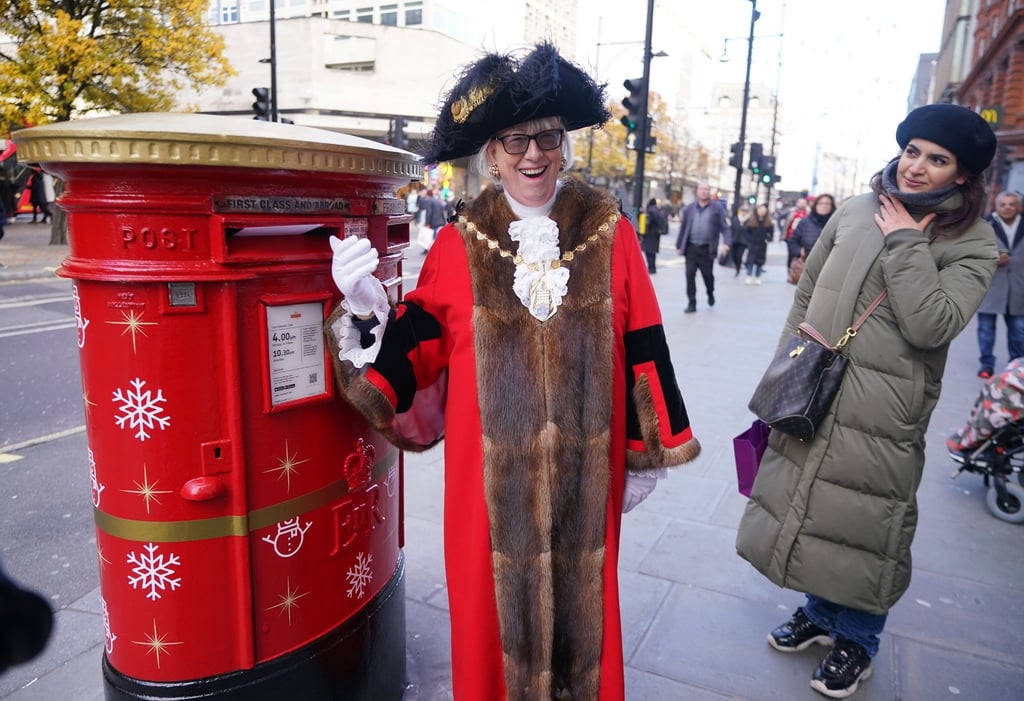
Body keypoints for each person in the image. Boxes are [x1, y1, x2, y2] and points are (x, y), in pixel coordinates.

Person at [325, 42, 700, 701]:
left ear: (564, 146)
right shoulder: (457, 244)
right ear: (492, 155)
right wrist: (364, 310)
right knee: (488, 636)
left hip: (586, 488)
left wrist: (647, 452)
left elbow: (644, 341)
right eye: (515, 140)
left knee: (585, 638)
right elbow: (418, 349)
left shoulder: (611, 233)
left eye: (547, 137)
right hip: (487, 497)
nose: (533, 154)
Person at [736, 103, 998, 699]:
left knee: (867, 525)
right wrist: (785, 367)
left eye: (937, 160)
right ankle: (819, 613)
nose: (916, 167)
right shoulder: (856, 209)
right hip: (814, 387)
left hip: (884, 409)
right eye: (912, 151)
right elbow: (807, 296)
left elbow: (934, 325)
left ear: (962, 174)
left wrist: (906, 240)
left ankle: (858, 639)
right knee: (814, 505)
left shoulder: (973, 241)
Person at [974, 191, 1024, 378]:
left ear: (1020, 207)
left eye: (1012, 204)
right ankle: (986, 365)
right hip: (991, 287)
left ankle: (1016, 367)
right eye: (1003, 204)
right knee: (986, 329)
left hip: (1019, 287)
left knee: (1019, 330)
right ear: (996, 207)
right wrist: (992, 258)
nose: (1007, 207)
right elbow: (973, 252)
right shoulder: (985, 226)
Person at [675, 181, 731, 313]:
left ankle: (710, 292)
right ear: (697, 191)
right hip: (691, 248)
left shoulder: (717, 208)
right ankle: (692, 303)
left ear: (709, 192)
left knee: (708, 276)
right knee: (690, 275)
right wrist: (679, 245)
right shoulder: (689, 208)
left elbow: (725, 227)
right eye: (701, 189)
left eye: (706, 189)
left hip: (707, 249)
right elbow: (683, 228)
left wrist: (727, 243)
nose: (704, 191)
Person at [742, 202, 773, 285]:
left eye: (763, 210)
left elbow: (771, 233)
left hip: (762, 244)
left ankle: (758, 276)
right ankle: (749, 275)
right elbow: (746, 231)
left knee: (760, 261)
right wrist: (749, 240)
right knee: (750, 260)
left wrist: (768, 239)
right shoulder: (751, 221)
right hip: (753, 243)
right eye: (760, 210)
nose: (761, 212)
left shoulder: (768, 222)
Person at [643, 196, 668, 273]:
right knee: (653, 253)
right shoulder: (657, 210)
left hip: (650, 234)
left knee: (648, 252)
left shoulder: (650, 211)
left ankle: (651, 268)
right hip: (656, 234)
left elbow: (649, 223)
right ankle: (653, 268)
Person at [784, 196, 809, 269]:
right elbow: (785, 222)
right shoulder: (792, 212)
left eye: (803, 202)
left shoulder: (808, 213)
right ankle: (790, 269)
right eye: (800, 202)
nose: (801, 204)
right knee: (791, 255)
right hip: (790, 236)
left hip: (804, 238)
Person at [728, 204, 751, 277]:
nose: (744, 212)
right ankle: (736, 266)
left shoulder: (749, 220)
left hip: (743, 242)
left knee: (739, 256)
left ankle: (738, 270)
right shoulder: (735, 219)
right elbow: (731, 229)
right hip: (734, 240)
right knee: (733, 256)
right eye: (742, 211)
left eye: (745, 211)